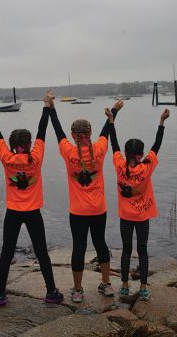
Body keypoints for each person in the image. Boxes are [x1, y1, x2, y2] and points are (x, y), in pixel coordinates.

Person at [0, 92, 63, 306]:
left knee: (7, 251)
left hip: (13, 212)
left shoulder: (6, 157)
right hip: (33, 212)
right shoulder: (36, 158)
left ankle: (0, 295)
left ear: (12, 143)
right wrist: (46, 106)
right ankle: (51, 291)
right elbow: (43, 130)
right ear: (28, 143)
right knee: (42, 251)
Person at [48, 91, 123, 303]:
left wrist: (51, 107)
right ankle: (107, 285)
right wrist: (114, 111)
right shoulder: (99, 149)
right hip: (98, 208)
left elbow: (57, 130)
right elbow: (106, 131)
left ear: (73, 135)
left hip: (78, 211)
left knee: (79, 247)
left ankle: (78, 290)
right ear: (89, 133)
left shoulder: (68, 152)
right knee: (101, 244)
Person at [105, 105, 170, 300]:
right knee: (142, 250)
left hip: (126, 216)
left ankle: (124, 285)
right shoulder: (147, 167)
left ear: (126, 153)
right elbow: (157, 145)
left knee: (126, 250)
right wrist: (161, 122)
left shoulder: (119, 166)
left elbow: (113, 144)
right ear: (140, 154)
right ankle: (143, 287)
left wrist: (111, 120)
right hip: (142, 216)